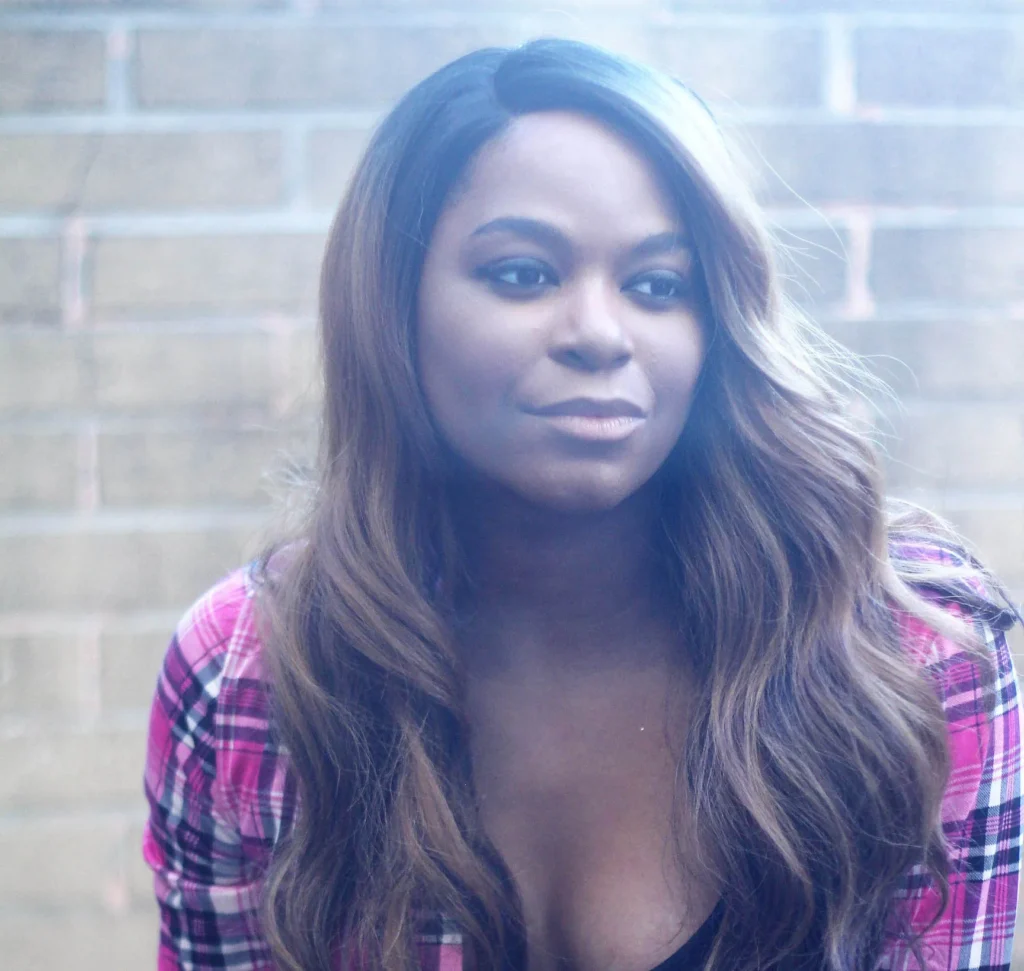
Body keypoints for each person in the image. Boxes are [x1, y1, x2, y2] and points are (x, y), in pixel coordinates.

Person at [142, 39, 1021, 971]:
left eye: (657, 285)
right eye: (523, 273)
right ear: (391, 304)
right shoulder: (252, 672)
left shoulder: (913, 657)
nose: (600, 334)